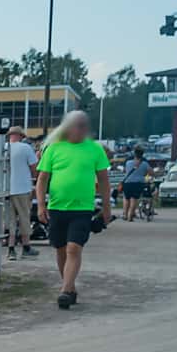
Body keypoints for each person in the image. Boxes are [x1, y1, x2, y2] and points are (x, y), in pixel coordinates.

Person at [35, 110, 113, 310]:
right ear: (68, 127)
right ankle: (69, 287)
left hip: (83, 208)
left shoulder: (95, 149)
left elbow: (103, 180)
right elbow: (42, 179)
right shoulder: (54, 149)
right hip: (57, 207)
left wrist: (106, 207)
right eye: (77, 125)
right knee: (61, 249)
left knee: (73, 248)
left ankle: (65, 290)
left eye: (83, 126)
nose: (81, 130)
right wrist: (41, 205)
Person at [4, 126, 39, 261]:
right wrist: (35, 181)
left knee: (10, 220)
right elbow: (34, 168)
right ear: (20, 135)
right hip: (22, 187)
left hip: (6, 188)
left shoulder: (4, 148)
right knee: (24, 217)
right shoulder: (26, 148)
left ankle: (11, 249)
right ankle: (26, 247)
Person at [119, 147, 150, 223]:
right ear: (142, 154)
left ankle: (125, 214)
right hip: (138, 183)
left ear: (134, 153)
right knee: (134, 199)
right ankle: (130, 215)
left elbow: (124, 171)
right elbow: (149, 172)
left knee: (126, 198)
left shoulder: (128, 162)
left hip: (127, 182)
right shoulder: (145, 163)